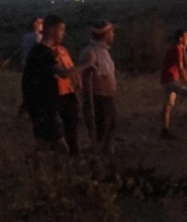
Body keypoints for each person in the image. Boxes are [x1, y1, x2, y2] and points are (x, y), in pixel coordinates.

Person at [21, 15, 91, 153]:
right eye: (61, 29)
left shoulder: (41, 52)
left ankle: (42, 169)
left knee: (45, 143)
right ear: (52, 29)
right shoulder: (42, 52)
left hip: (43, 104)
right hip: (43, 106)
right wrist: (87, 64)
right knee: (59, 146)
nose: (63, 33)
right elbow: (63, 73)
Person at [79, 20, 118, 155]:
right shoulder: (91, 52)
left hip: (107, 99)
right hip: (97, 99)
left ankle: (107, 159)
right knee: (99, 132)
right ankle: (97, 161)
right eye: (111, 32)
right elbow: (83, 76)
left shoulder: (104, 52)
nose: (113, 35)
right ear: (105, 35)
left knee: (110, 130)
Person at [160, 29, 187, 138]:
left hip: (166, 80)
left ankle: (165, 130)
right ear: (180, 38)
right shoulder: (178, 49)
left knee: (168, 105)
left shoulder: (177, 48)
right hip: (171, 80)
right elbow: (181, 69)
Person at [18, 16, 44, 116]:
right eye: (40, 23)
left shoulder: (25, 36)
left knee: (29, 91)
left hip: (27, 66)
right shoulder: (38, 37)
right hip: (37, 67)